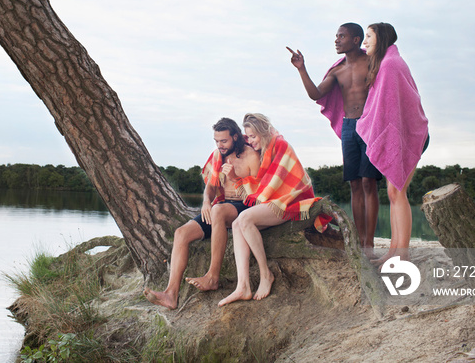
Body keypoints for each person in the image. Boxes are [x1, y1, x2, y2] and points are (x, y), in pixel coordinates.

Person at [144, 117, 260, 309]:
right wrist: (206, 201)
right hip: (220, 207)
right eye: (216, 141)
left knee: (218, 210)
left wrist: (234, 178)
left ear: (236, 137)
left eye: (224, 141)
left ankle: (212, 277)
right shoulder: (217, 156)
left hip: (244, 206)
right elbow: (211, 187)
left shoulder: (251, 156)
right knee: (181, 233)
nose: (219, 145)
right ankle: (170, 294)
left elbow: (258, 195)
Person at [288, 23, 382, 253]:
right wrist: (302, 69)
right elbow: (316, 94)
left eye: (342, 36)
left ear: (356, 39)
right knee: (355, 184)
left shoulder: (372, 62)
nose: (337, 40)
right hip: (349, 127)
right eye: (336, 36)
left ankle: (369, 241)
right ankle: (359, 240)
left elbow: (387, 87)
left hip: (369, 125)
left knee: (369, 182)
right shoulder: (337, 70)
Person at [218, 113, 330, 306]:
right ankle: (243, 286)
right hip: (275, 201)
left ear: (263, 132)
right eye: (248, 137)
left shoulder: (281, 146)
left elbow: (276, 184)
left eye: (253, 136)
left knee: (244, 219)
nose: (250, 141)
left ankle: (265, 274)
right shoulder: (264, 150)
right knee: (237, 225)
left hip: (291, 201)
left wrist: (254, 193)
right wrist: (236, 176)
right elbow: (262, 183)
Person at [360, 22, 429, 264]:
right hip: (399, 134)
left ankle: (403, 254)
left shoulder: (390, 65)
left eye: (368, 36)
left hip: (409, 134)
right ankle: (393, 250)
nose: (364, 41)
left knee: (398, 192)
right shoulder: (386, 64)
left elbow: (393, 111)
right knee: (393, 192)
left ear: (382, 38)